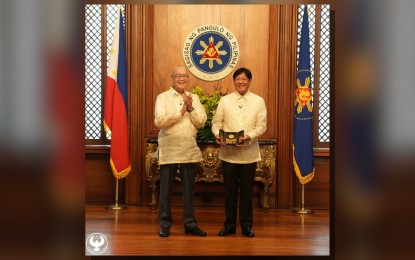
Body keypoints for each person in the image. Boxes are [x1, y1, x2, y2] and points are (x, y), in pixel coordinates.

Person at [211, 67, 267, 237]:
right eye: (238, 79)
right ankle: (229, 226)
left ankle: (246, 226)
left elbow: (262, 126)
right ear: (234, 81)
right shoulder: (225, 101)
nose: (241, 82)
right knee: (229, 192)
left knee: (247, 192)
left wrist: (249, 136)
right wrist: (217, 135)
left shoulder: (258, 101)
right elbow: (216, 123)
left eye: (244, 79)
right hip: (228, 154)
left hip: (249, 154)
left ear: (249, 81)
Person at [154, 65, 208, 237]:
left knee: (188, 190)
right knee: (165, 189)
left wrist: (191, 108)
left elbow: (201, 122)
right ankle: (164, 224)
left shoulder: (194, 98)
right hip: (169, 148)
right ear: (172, 77)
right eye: (178, 75)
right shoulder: (162, 98)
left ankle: (190, 224)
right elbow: (159, 122)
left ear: (188, 78)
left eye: (185, 76)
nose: (182, 78)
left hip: (188, 149)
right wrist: (180, 112)